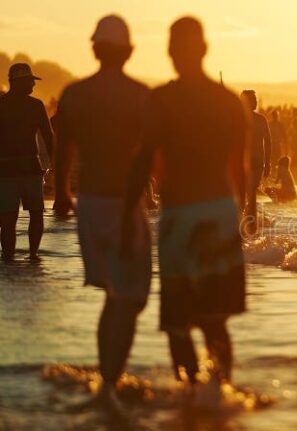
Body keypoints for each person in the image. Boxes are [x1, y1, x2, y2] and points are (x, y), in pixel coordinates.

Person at [121, 16, 248, 395]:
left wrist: (129, 210)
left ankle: (191, 395)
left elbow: (144, 158)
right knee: (215, 317)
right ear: (205, 50)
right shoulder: (228, 101)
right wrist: (243, 213)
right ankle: (221, 394)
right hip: (219, 213)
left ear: (170, 52)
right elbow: (239, 168)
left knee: (178, 320)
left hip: (180, 215)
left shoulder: (162, 99)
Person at [51, 15, 152, 409]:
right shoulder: (139, 95)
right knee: (132, 294)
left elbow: (64, 150)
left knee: (115, 293)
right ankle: (109, 382)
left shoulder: (75, 93)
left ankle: (106, 377)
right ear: (128, 51)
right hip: (123, 201)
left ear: (95, 49)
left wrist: (62, 192)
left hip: (89, 202)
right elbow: (145, 158)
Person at [0, 63, 53, 262]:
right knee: (36, 213)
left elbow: (49, 136)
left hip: (5, 171)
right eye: (30, 80)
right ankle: (33, 256)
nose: (33, 84)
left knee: (7, 219)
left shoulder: (2, 105)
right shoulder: (35, 106)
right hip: (29, 169)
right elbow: (49, 136)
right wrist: (56, 165)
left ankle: (7, 259)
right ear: (20, 82)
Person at [240, 90, 271, 215]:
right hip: (245, 161)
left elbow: (268, 142)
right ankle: (248, 222)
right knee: (248, 192)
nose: (256, 102)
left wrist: (267, 163)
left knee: (249, 191)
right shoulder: (239, 119)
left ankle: (249, 222)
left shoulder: (260, 119)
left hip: (255, 161)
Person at [268, 110, 286, 174]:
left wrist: (285, 144)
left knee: (278, 159)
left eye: (276, 115)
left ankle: (277, 173)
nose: (275, 116)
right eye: (274, 115)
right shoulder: (270, 124)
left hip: (278, 144)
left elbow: (284, 135)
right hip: (272, 143)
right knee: (272, 158)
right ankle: (273, 172)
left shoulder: (280, 125)